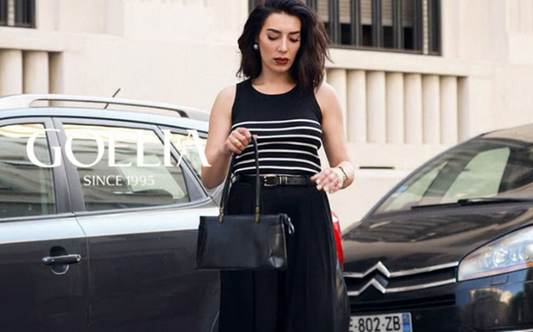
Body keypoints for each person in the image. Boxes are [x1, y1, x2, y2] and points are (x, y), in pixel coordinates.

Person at [201, 0, 354, 331]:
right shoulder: (230, 97)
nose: (284, 47)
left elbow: (346, 164)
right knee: (251, 315)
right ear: (256, 38)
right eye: (273, 36)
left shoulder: (321, 94)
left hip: (307, 211)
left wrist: (338, 174)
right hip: (250, 214)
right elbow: (209, 176)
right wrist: (228, 148)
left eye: (294, 38)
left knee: (310, 314)